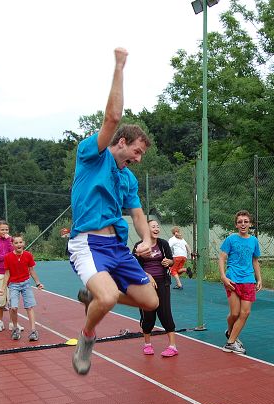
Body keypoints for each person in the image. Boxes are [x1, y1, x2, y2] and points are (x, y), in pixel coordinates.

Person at [67, 47, 159, 376]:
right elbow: (112, 118)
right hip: (88, 243)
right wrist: (120, 66)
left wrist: (146, 238)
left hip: (117, 247)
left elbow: (137, 213)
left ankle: (93, 296)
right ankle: (86, 337)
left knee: (151, 301)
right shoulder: (93, 155)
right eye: (137, 151)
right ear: (121, 142)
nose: (138, 158)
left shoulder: (128, 178)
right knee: (106, 299)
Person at [218, 210, 261, 355]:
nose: (243, 224)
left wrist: (259, 279)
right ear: (236, 225)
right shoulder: (231, 239)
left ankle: (230, 342)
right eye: (240, 222)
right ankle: (231, 334)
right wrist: (223, 276)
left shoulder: (254, 241)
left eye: (246, 221)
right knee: (235, 313)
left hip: (248, 280)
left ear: (250, 224)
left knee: (245, 312)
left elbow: (255, 260)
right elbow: (222, 257)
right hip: (232, 279)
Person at [134, 220, 178, 357]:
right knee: (148, 314)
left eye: (158, 226)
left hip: (163, 283)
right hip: (145, 285)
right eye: (153, 226)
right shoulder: (139, 246)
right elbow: (133, 266)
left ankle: (172, 346)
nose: (157, 228)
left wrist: (169, 262)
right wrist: (148, 276)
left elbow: (171, 260)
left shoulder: (163, 244)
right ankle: (147, 344)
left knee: (165, 313)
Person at [1, 233, 44, 342]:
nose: (18, 244)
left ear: (23, 243)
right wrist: (2, 288)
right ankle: (15, 329)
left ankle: (33, 331)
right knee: (13, 308)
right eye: (16, 243)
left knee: (29, 307)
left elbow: (32, 270)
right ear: (12, 244)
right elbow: (7, 274)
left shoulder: (28, 255)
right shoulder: (8, 257)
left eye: (20, 242)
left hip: (26, 284)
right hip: (13, 285)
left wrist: (38, 283)